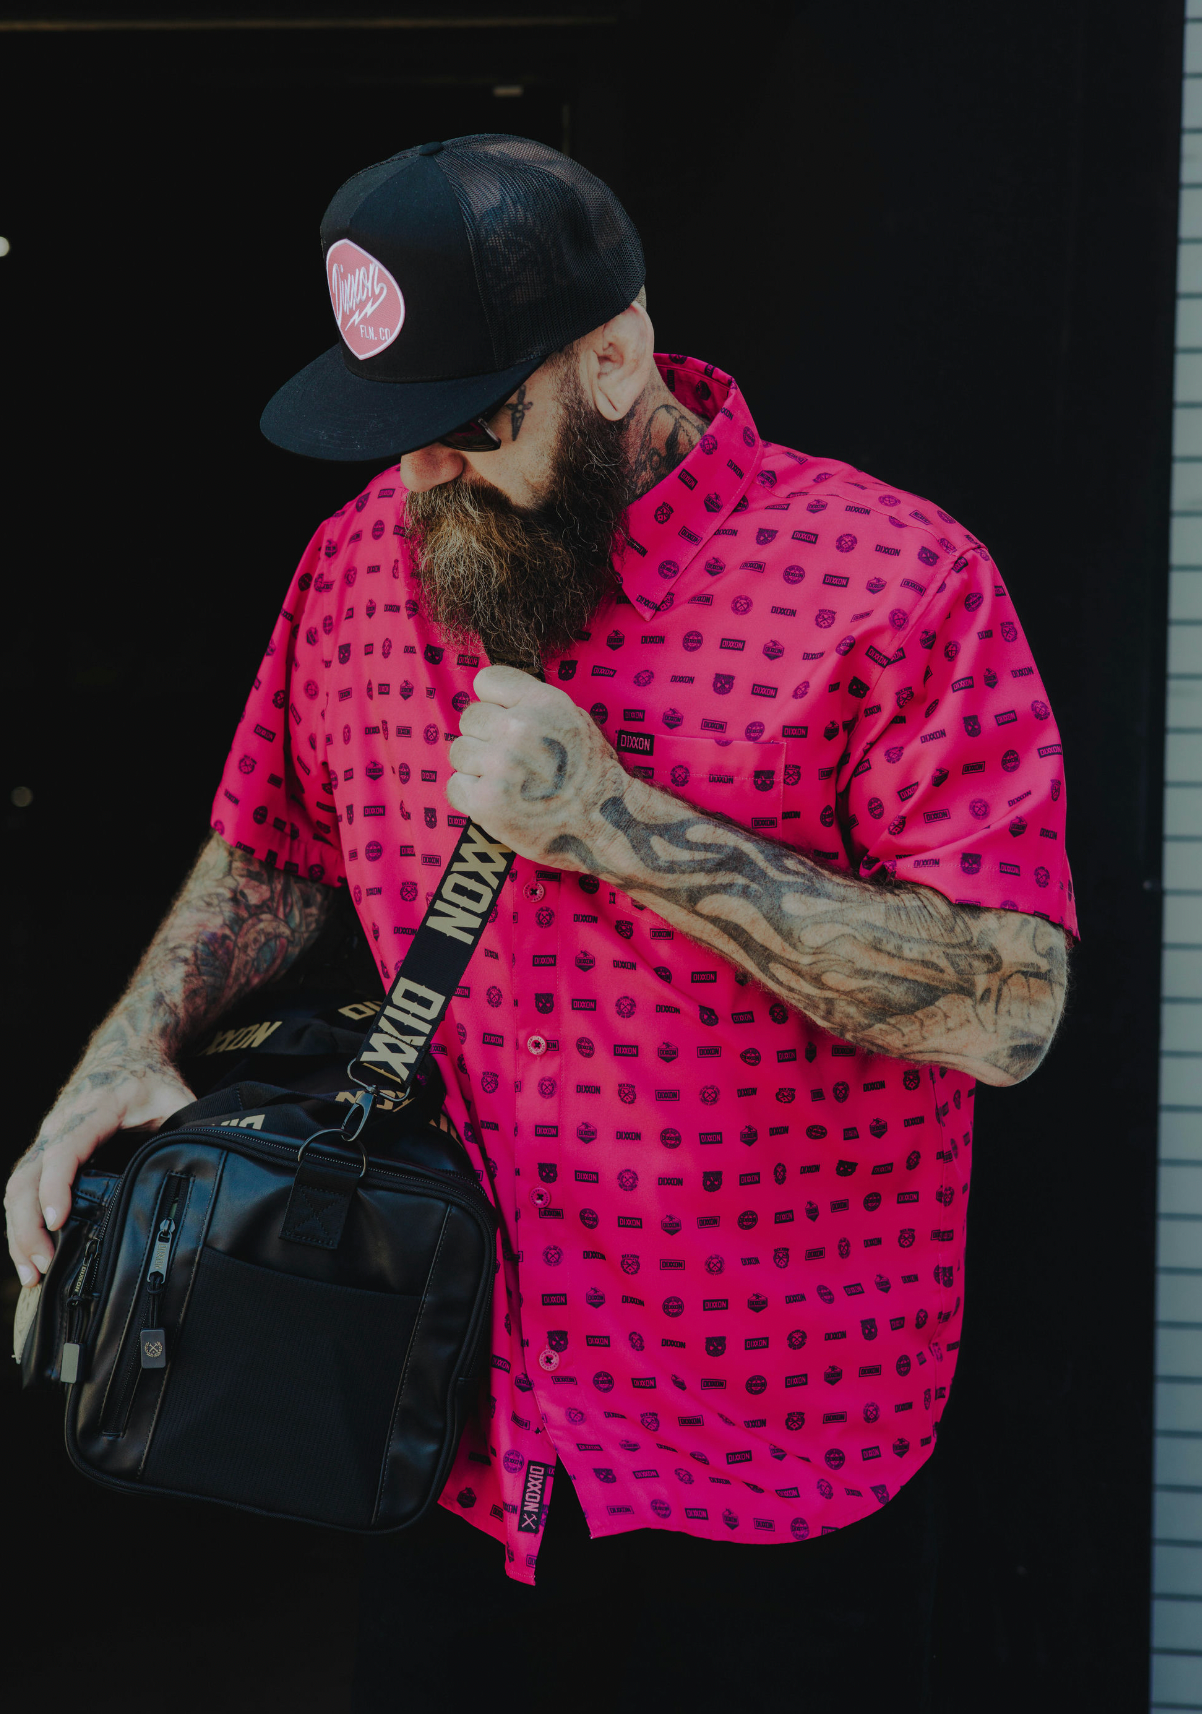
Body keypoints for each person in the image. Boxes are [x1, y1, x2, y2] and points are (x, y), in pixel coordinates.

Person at [5, 136, 1073, 1710]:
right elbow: (273, 848)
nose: (419, 477)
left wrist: (612, 824)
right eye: (394, 433)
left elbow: (1009, 1009)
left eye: (467, 425)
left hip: (772, 1452)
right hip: (442, 1424)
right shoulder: (359, 558)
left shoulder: (894, 581)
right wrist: (122, 1050)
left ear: (615, 358)